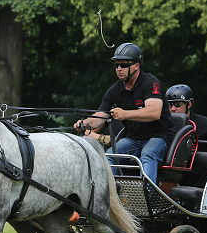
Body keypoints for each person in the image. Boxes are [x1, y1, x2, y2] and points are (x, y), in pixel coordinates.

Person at [74, 43, 175, 184]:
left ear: (137, 65)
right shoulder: (115, 90)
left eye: (123, 65)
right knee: (109, 156)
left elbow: (154, 112)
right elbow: (100, 117)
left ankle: (145, 198)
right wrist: (85, 124)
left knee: (148, 154)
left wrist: (125, 114)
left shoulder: (151, 83)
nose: (119, 69)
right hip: (133, 139)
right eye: (116, 65)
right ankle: (109, 196)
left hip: (159, 136)